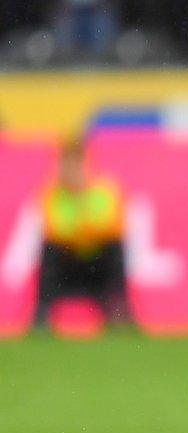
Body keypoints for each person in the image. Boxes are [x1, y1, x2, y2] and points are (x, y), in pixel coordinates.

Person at [35, 138, 130, 329]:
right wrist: (85, 229)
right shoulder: (53, 192)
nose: (69, 170)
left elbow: (112, 225)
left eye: (74, 164)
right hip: (67, 261)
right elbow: (54, 229)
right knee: (49, 250)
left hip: (97, 261)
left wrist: (80, 223)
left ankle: (119, 309)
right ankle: (42, 313)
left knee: (115, 248)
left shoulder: (104, 189)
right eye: (65, 164)